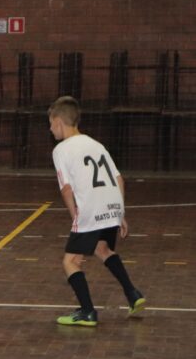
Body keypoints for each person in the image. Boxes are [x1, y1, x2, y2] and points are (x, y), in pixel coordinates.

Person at [49, 96, 145, 327]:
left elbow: (66, 188)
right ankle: (133, 294)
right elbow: (119, 179)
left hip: (90, 209)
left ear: (60, 122)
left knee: (70, 261)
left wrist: (76, 217)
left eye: (51, 123)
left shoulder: (61, 150)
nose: (50, 129)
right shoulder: (95, 144)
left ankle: (87, 311)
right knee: (102, 248)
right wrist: (120, 213)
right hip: (111, 205)